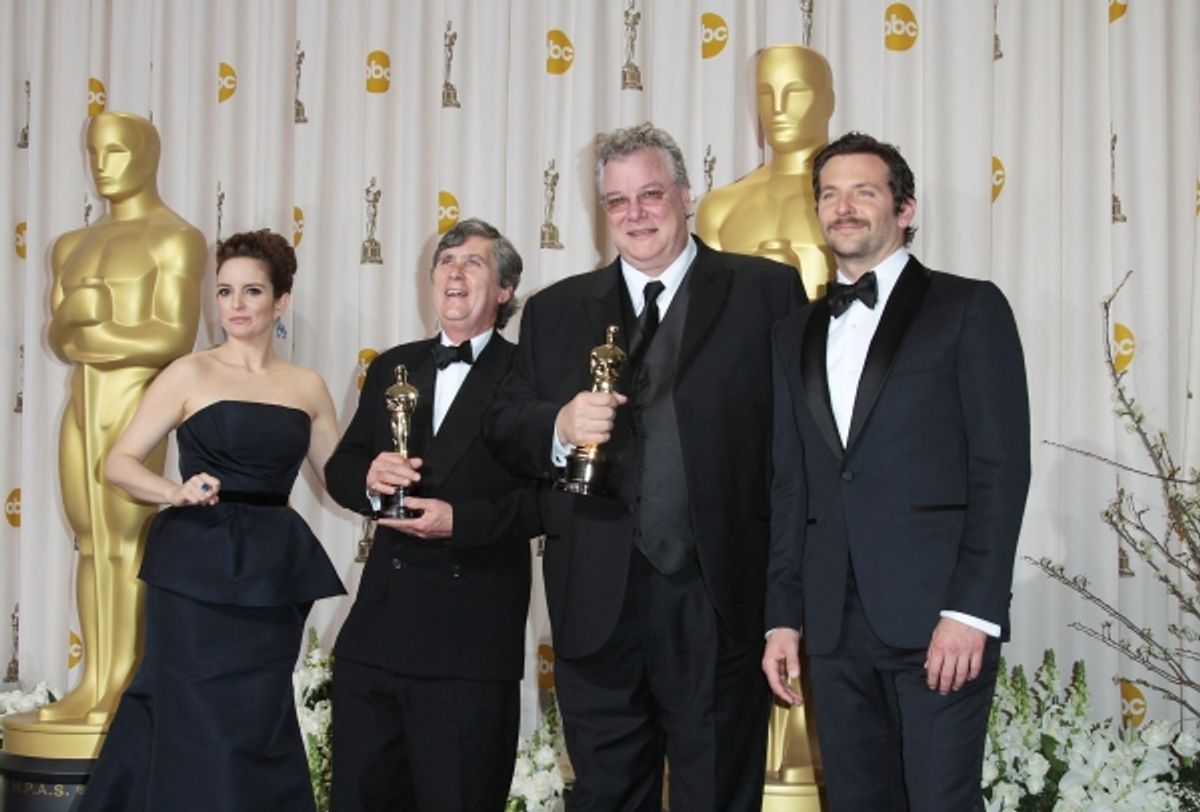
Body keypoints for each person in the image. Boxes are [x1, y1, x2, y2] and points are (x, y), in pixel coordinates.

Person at [485, 123, 806, 811]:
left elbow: (797, 455)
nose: (635, 214)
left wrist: (787, 602)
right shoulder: (553, 311)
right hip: (595, 602)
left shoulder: (768, 295)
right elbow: (505, 426)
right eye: (617, 201)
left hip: (720, 599)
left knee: (717, 793)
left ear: (687, 197)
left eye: (651, 194)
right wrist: (558, 425)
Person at [762, 132, 1030, 811]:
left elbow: (1000, 471)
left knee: (941, 801)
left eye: (864, 191)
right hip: (833, 623)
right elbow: (793, 483)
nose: (842, 207)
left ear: (904, 208)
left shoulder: (969, 308)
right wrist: (783, 618)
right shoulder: (792, 333)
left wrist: (972, 610)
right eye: (829, 193)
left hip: (940, 620)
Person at [75, 230, 345, 811]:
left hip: (273, 574)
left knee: (258, 719)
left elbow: (340, 481)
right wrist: (173, 491)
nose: (236, 305)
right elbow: (119, 463)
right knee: (192, 718)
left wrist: (396, 479)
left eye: (252, 291)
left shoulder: (307, 386)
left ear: (282, 302)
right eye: (225, 292)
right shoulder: (188, 373)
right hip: (195, 568)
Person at [326, 218, 539, 812]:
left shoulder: (530, 375)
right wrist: (369, 482)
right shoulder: (394, 367)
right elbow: (342, 466)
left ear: (503, 290)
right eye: (445, 262)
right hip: (375, 640)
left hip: (470, 646)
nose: (454, 272)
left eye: (472, 263)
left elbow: (548, 500)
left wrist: (460, 523)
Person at [41, 111, 206, 726]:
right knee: (89, 544)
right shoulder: (70, 244)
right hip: (83, 407)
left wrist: (94, 323)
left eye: (114, 151)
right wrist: (84, 324)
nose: (102, 165)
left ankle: (127, 683)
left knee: (127, 543)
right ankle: (93, 682)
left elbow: (173, 335)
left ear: (146, 155)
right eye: (94, 152)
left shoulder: (176, 238)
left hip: (137, 407)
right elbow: (60, 339)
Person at [695, 44, 837, 300]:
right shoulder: (720, 208)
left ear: (828, 102)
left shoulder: (855, 201)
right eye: (766, 94)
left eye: (795, 92)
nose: (778, 109)